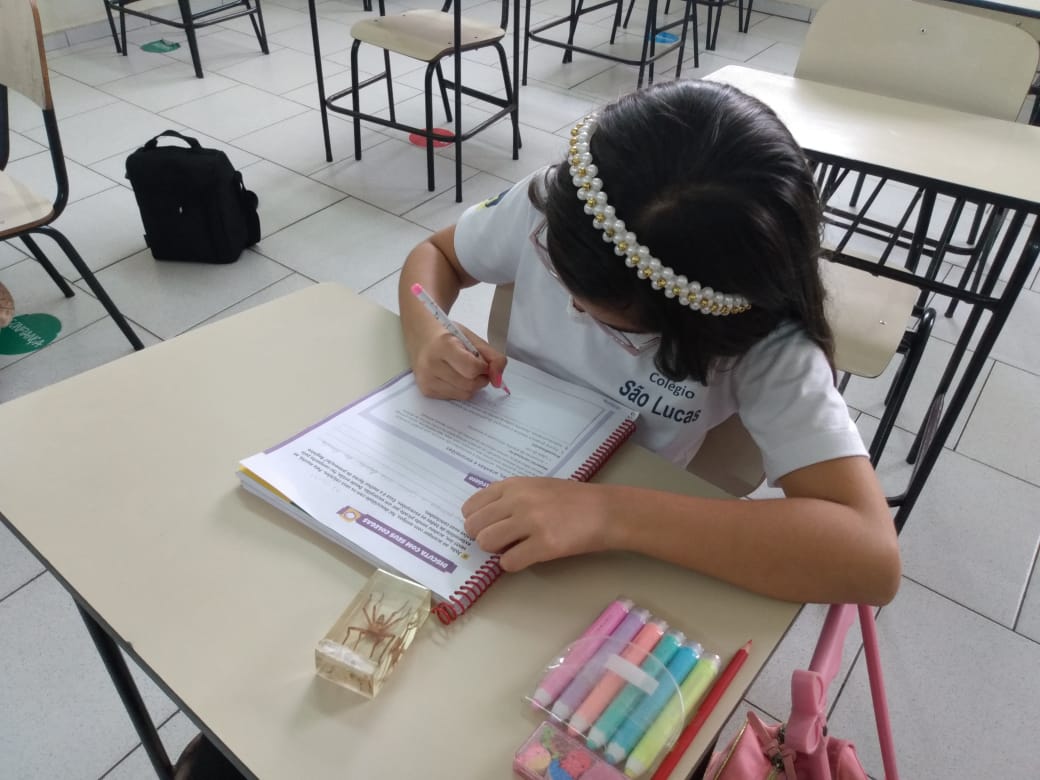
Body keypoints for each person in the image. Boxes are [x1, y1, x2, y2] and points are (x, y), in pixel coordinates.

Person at [398, 79, 900, 607]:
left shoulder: (769, 343)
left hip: (623, 527)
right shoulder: (563, 205)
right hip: (494, 453)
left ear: (694, 322)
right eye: (557, 273)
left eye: (601, 314)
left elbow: (871, 559)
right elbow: (437, 254)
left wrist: (607, 514)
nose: (570, 308)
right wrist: (428, 331)